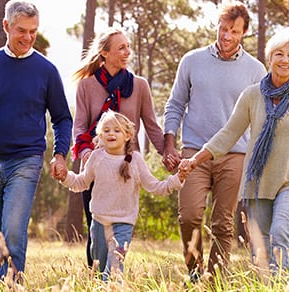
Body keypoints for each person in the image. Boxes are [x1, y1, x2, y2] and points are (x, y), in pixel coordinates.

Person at [178, 27, 289, 274]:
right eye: (280, 54)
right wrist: (196, 159)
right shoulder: (251, 96)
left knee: (281, 230)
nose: (285, 60)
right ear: (270, 58)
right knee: (260, 247)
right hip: (259, 180)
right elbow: (229, 134)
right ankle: (265, 284)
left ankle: (280, 285)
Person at [0, 0, 72, 281]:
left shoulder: (46, 71)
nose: (28, 37)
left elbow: (62, 118)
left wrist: (59, 154)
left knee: (14, 232)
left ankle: (12, 285)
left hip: (26, 160)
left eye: (33, 31)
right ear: (6, 26)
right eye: (21, 30)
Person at [162, 0, 266, 279]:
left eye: (234, 31)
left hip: (235, 154)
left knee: (222, 223)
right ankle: (195, 273)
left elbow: (261, 117)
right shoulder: (192, 61)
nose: (227, 36)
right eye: (223, 29)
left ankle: (215, 280)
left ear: (244, 33)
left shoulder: (255, 70)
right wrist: (169, 143)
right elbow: (175, 104)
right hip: (194, 152)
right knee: (190, 216)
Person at [72, 27, 171, 268]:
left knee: (120, 229)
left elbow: (151, 125)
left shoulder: (139, 86)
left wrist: (167, 154)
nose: (128, 52)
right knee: (96, 229)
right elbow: (80, 126)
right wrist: (87, 156)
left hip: (127, 167)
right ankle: (96, 278)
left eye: (128, 46)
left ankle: (113, 277)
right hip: (96, 166)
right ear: (104, 53)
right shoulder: (86, 86)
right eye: (121, 48)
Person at [57, 111, 184, 280]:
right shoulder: (97, 157)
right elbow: (81, 182)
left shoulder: (135, 161)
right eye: (107, 130)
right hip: (99, 223)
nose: (111, 134)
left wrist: (177, 179)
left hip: (123, 224)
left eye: (117, 130)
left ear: (128, 135)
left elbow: (156, 187)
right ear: (101, 135)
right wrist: (66, 176)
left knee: (114, 269)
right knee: (100, 269)